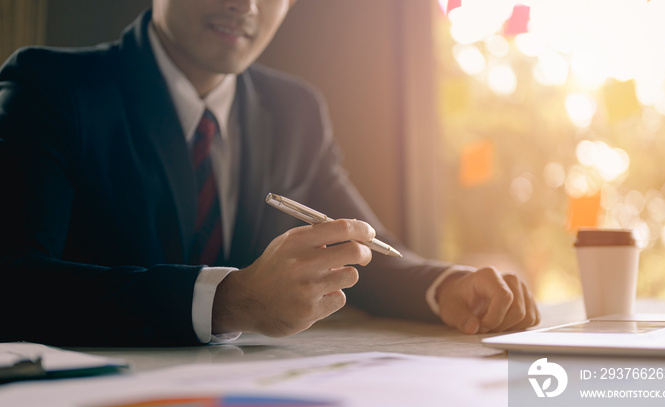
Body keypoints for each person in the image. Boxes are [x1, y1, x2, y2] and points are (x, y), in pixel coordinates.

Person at [0, 0, 539, 347]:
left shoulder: (294, 110)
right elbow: (15, 283)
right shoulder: (51, 90)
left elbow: (361, 250)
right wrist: (231, 299)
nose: (245, 4)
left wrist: (446, 287)